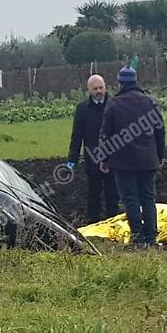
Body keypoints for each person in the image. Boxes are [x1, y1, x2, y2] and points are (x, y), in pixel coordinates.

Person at [96, 66, 165, 248]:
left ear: (120, 83)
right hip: (148, 160)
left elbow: (105, 134)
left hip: (123, 162)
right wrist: (160, 155)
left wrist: (104, 159)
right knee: (148, 197)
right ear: (135, 81)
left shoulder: (113, 104)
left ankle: (138, 238)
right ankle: (152, 238)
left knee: (130, 199)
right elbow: (160, 131)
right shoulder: (150, 102)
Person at [67, 74, 119, 223]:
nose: (98, 91)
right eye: (95, 89)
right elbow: (77, 136)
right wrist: (72, 159)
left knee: (113, 192)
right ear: (89, 90)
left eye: (101, 88)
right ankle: (93, 221)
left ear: (105, 87)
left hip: (113, 157)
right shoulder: (82, 109)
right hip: (92, 158)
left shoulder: (114, 105)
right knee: (93, 192)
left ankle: (113, 220)